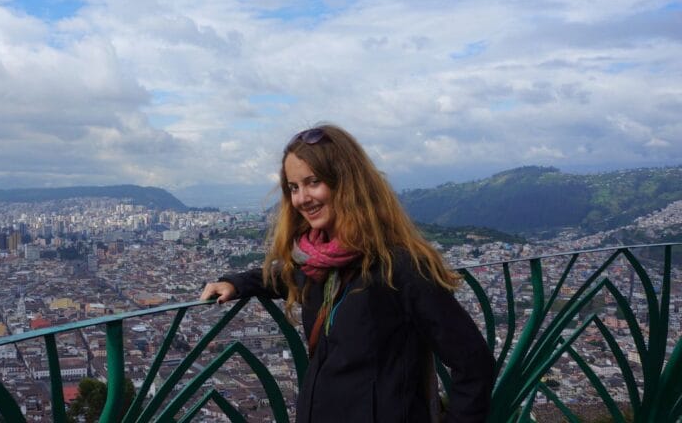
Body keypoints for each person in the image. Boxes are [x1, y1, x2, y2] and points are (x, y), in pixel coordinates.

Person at [201, 125, 495, 423]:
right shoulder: (316, 263)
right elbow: (283, 276)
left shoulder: (401, 266)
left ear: (346, 182)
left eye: (313, 182)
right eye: (293, 187)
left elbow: (474, 364)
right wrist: (236, 283)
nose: (302, 198)